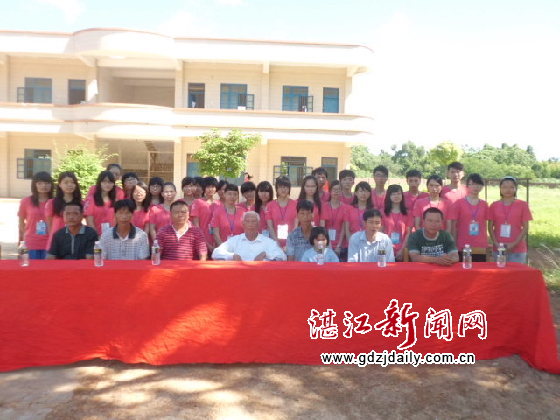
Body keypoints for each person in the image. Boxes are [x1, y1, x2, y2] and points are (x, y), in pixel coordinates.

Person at [488, 176, 533, 264]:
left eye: (511, 187)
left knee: (517, 273)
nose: (508, 190)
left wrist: (514, 244)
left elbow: (525, 227)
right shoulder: (494, 205)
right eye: (504, 187)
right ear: (500, 189)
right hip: (498, 249)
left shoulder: (523, 205)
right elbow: (490, 227)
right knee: (499, 272)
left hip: (518, 250)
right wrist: (496, 244)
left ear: (516, 189)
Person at [212, 211, 286, 261]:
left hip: (260, 276)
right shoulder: (236, 240)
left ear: (258, 224)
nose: (250, 224)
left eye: (253, 221)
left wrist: (266, 255)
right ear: (243, 224)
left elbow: (283, 256)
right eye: (247, 221)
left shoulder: (267, 242)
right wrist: (232, 256)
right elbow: (216, 253)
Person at [448, 173, 489, 262]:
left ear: (482, 187)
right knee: (463, 269)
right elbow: (454, 226)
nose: (475, 187)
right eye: (472, 184)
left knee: (480, 269)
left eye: (478, 184)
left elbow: (485, 225)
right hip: (463, 244)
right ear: (467, 186)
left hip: (480, 245)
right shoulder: (459, 203)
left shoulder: (484, 204)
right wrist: (453, 244)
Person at [18, 171, 53, 259]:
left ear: (51, 185)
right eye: (40, 183)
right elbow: (21, 224)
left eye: (47, 183)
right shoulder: (26, 201)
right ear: (34, 185)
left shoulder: (55, 202)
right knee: (30, 267)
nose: (44, 186)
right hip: (30, 244)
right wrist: (21, 245)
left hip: (50, 243)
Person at [45, 171, 82, 251]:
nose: (70, 185)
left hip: (75, 243)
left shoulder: (81, 203)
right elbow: (50, 226)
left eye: (72, 182)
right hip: (56, 244)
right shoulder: (52, 203)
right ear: (60, 185)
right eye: (66, 182)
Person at [382, 184, 413, 262]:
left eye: (398, 193)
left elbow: (408, 233)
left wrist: (402, 250)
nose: (396, 196)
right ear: (388, 196)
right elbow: (380, 232)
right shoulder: (382, 212)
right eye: (393, 194)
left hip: (403, 249)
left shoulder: (408, 213)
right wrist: (388, 248)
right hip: (386, 248)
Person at [191, 177, 221, 254]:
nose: (210, 189)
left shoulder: (219, 203)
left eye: (213, 187)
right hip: (202, 241)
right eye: (208, 187)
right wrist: (207, 244)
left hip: (217, 241)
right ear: (204, 188)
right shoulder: (197, 202)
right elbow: (196, 226)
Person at [266, 176, 298, 248]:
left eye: (286, 187)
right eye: (280, 187)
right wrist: (276, 243)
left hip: (292, 242)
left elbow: (295, 226)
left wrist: (289, 243)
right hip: (274, 242)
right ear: (276, 189)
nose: (283, 189)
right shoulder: (270, 205)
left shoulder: (295, 204)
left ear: (289, 188)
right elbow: (270, 227)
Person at [321, 180, 349, 260]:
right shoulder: (324, 206)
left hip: (341, 245)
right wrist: (328, 244)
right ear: (330, 191)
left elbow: (344, 228)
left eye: (339, 189)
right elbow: (323, 227)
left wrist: (338, 246)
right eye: (334, 189)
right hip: (326, 243)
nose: (336, 192)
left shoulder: (345, 208)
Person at [84, 170, 117, 236]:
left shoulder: (115, 201)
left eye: (110, 182)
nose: (107, 184)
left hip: (112, 236)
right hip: (95, 237)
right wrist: (97, 237)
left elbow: (116, 221)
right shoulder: (91, 200)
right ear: (99, 183)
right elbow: (90, 223)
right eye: (104, 181)